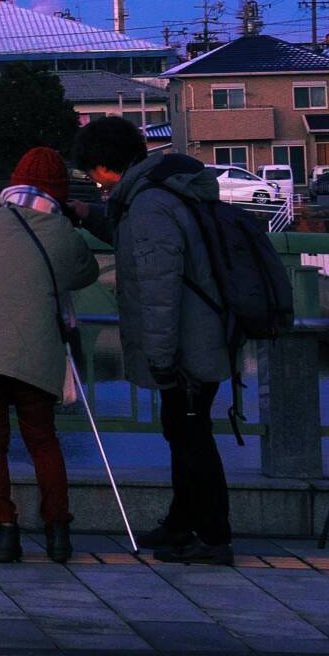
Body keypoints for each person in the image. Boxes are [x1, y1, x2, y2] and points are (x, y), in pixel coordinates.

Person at [73, 115, 234, 564]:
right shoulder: (157, 192)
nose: (92, 181)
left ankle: (215, 537)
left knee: (192, 439)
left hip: (186, 346)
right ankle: (181, 525)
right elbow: (130, 238)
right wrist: (88, 216)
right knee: (182, 433)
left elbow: (160, 290)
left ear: (105, 166)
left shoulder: (149, 206)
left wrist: (162, 358)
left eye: (91, 172)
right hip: (202, 336)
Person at [0, 146, 99, 563]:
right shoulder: (62, 232)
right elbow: (86, 273)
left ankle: (4, 531)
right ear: (60, 194)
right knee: (43, 440)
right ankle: (58, 533)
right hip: (35, 351)